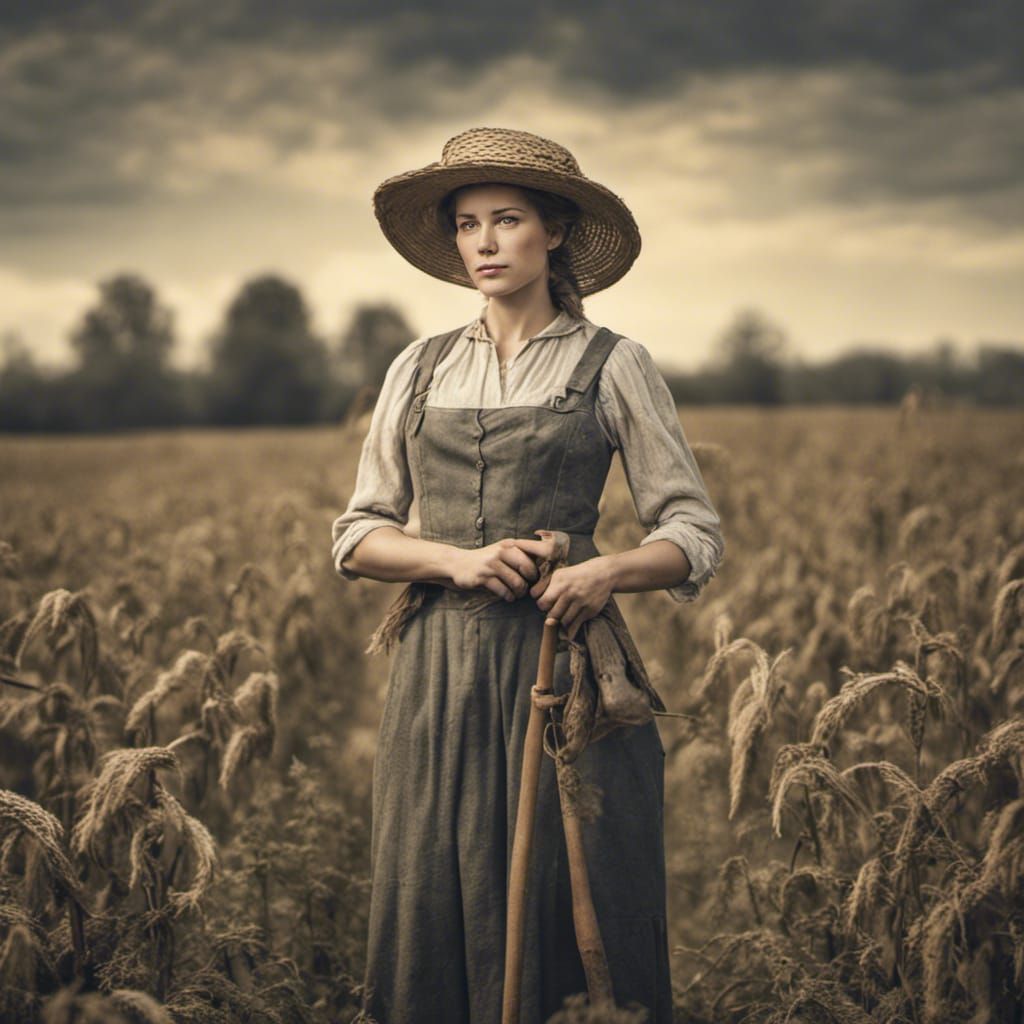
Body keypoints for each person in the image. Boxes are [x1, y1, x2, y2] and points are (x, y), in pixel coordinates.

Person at [331, 127, 724, 1023]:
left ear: (552, 231)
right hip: (437, 681)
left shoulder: (615, 363)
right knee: (434, 888)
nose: (485, 243)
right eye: (468, 224)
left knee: (566, 900)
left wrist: (604, 572)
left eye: (506, 220)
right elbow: (357, 536)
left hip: (565, 671)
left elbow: (694, 532)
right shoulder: (419, 365)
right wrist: (458, 560)